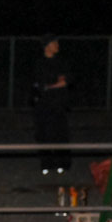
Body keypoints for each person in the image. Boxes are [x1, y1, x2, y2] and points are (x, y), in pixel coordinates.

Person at [33, 35, 72, 175]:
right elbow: (39, 84)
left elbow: (65, 81)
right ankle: (46, 164)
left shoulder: (61, 62)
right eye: (54, 43)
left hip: (60, 104)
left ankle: (63, 164)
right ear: (47, 46)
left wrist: (50, 85)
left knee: (61, 134)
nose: (57, 45)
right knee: (44, 134)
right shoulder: (39, 63)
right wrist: (54, 83)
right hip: (44, 105)